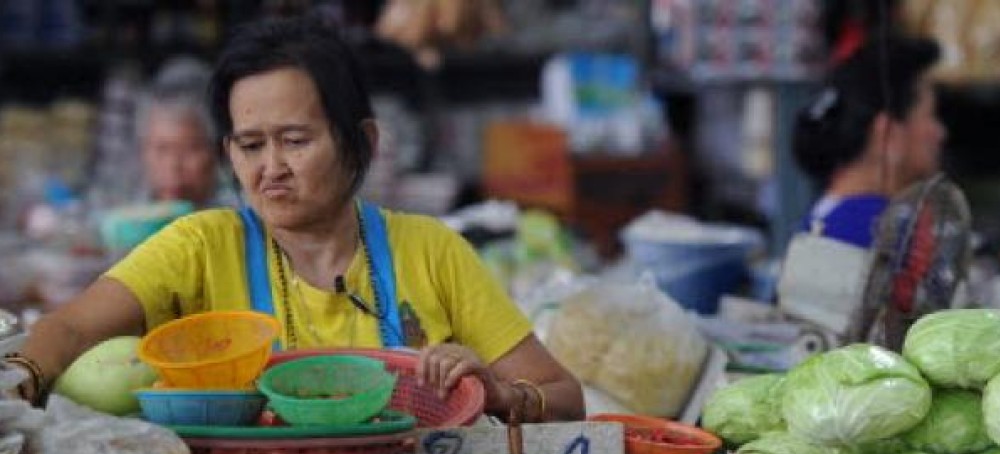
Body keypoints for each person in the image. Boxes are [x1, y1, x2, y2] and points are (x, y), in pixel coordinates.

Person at [5, 16, 584, 423]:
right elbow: (73, 329)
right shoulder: (199, 247)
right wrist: (20, 374)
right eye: (250, 145)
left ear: (363, 142)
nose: (271, 168)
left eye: (295, 140)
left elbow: (564, 397)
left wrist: (504, 394)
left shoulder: (432, 251)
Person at [791, 34, 945, 248]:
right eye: (930, 115)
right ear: (888, 135)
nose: (940, 132)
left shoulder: (827, 219)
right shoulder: (881, 233)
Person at [135, 57, 229, 208]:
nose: (173, 166)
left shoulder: (241, 223)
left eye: (190, 149)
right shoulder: (121, 219)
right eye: (162, 149)